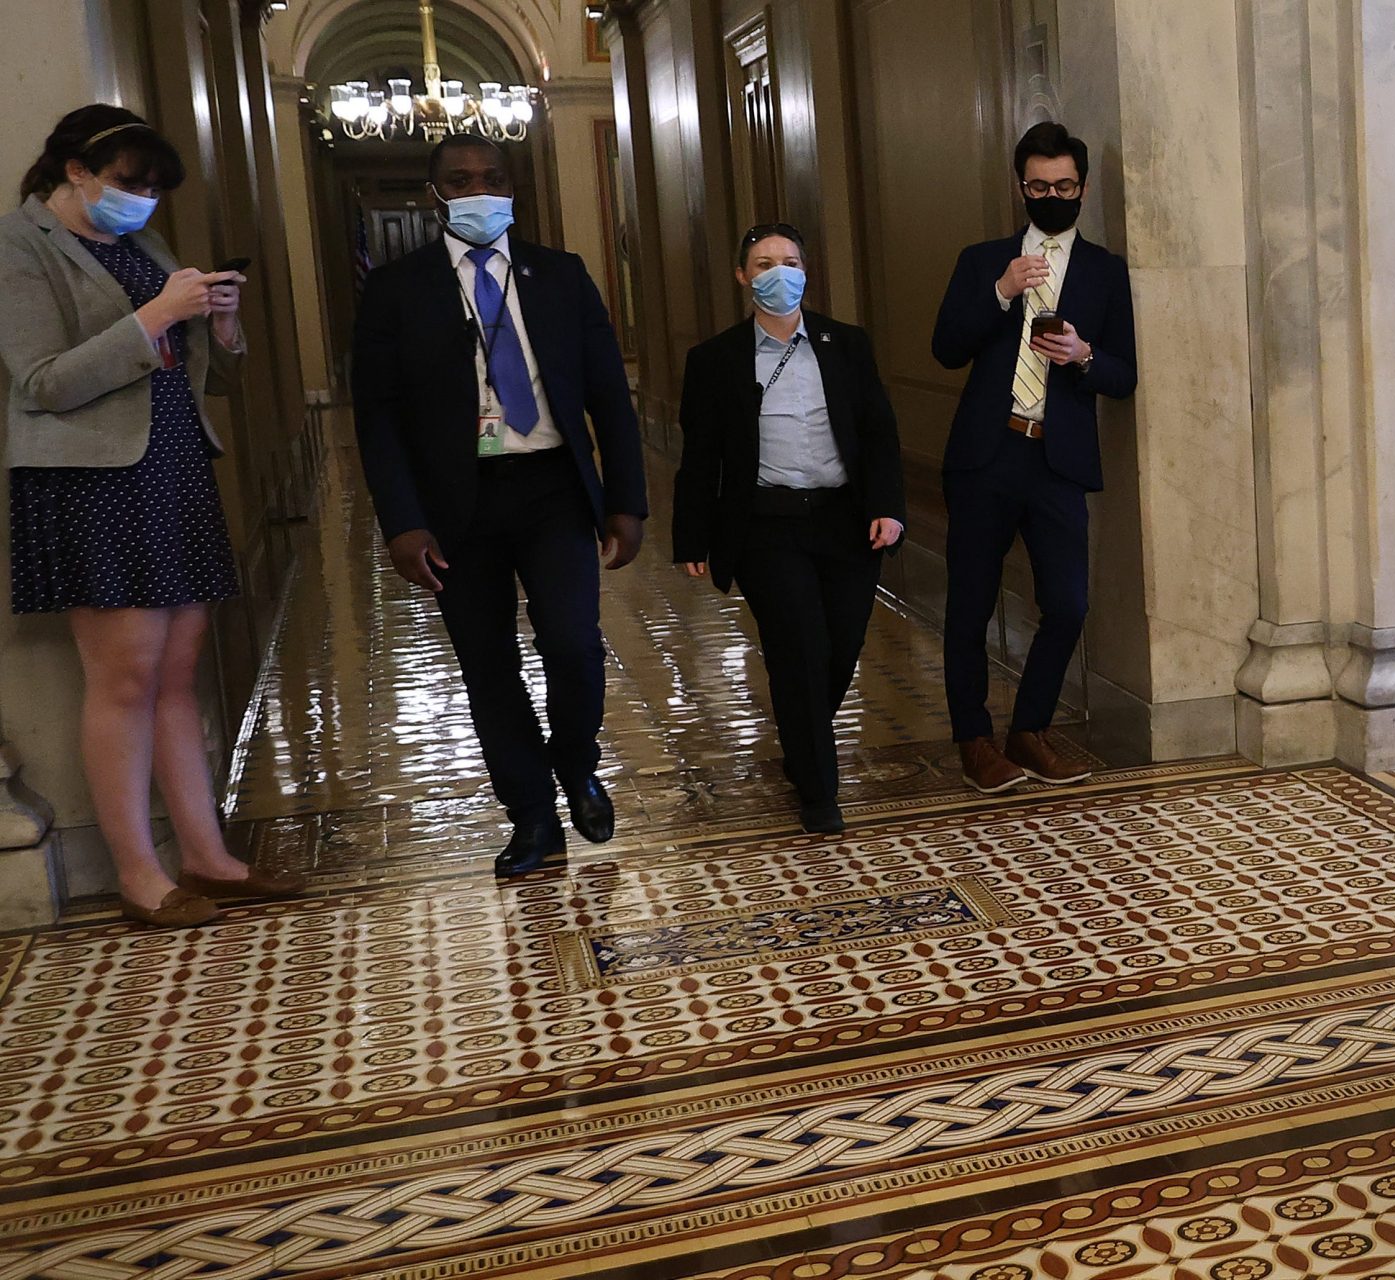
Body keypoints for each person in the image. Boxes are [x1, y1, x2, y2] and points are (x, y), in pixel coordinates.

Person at [1, 105, 308, 927]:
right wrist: (156, 315)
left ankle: (206, 857)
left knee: (179, 670)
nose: (141, 200)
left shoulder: (142, 245)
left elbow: (199, 371)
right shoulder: (20, 245)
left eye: (152, 188)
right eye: (128, 182)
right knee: (125, 674)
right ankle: (139, 874)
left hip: (171, 467)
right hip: (92, 481)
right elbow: (41, 383)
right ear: (74, 169)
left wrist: (221, 323)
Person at [350, 135, 647, 878]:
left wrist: (628, 502)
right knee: (488, 668)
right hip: (457, 504)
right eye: (460, 180)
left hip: (552, 489)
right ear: (435, 194)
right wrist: (402, 522)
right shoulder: (396, 290)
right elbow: (376, 417)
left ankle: (575, 763)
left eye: (492, 178)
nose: (478, 190)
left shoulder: (563, 275)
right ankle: (533, 816)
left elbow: (610, 394)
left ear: (512, 186)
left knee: (574, 647)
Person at [674, 224, 907, 834]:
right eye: (764, 262)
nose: (780, 272)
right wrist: (691, 536)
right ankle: (819, 788)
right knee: (799, 646)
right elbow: (700, 456)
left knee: (842, 646)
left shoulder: (847, 344)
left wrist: (888, 505)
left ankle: (804, 741)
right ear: (743, 276)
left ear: (808, 271)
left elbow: (879, 433)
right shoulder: (715, 360)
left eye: (791, 261)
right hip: (766, 525)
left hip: (843, 521)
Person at [929, 121, 1135, 794]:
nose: (1053, 195)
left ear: (1082, 188)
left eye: (1065, 186)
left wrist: (1085, 358)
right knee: (970, 608)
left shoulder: (1105, 272)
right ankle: (974, 742)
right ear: (1022, 188)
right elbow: (946, 347)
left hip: (1057, 461)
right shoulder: (982, 260)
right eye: (1040, 186)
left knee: (1068, 605)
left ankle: (1030, 731)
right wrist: (1000, 293)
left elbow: (1124, 374)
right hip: (986, 458)